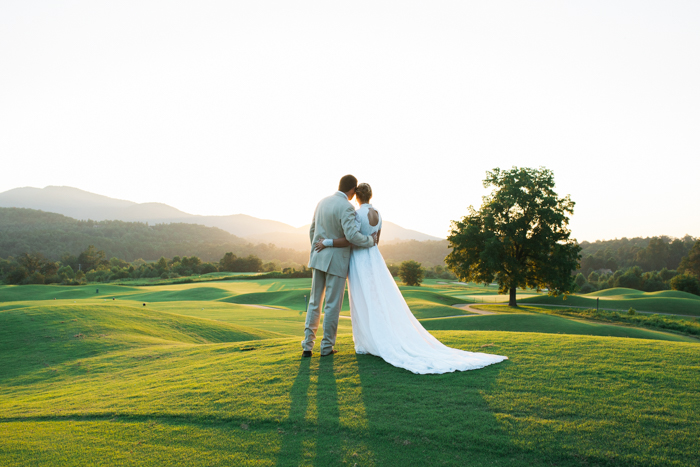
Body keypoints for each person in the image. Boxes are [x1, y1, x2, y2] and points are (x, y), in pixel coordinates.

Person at [314, 182, 507, 374]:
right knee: (377, 297)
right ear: (370, 196)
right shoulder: (378, 214)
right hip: (375, 258)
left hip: (359, 258)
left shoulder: (357, 214)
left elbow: (351, 238)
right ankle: (373, 338)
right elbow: (376, 240)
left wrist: (328, 242)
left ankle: (367, 342)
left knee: (363, 298)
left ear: (357, 196)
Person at [301, 175, 378, 357]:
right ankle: (326, 347)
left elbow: (312, 230)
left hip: (318, 257)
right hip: (336, 262)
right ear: (352, 190)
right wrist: (369, 240)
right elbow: (352, 236)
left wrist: (316, 250)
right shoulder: (347, 207)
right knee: (332, 306)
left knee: (313, 303)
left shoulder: (322, 202)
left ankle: (307, 346)